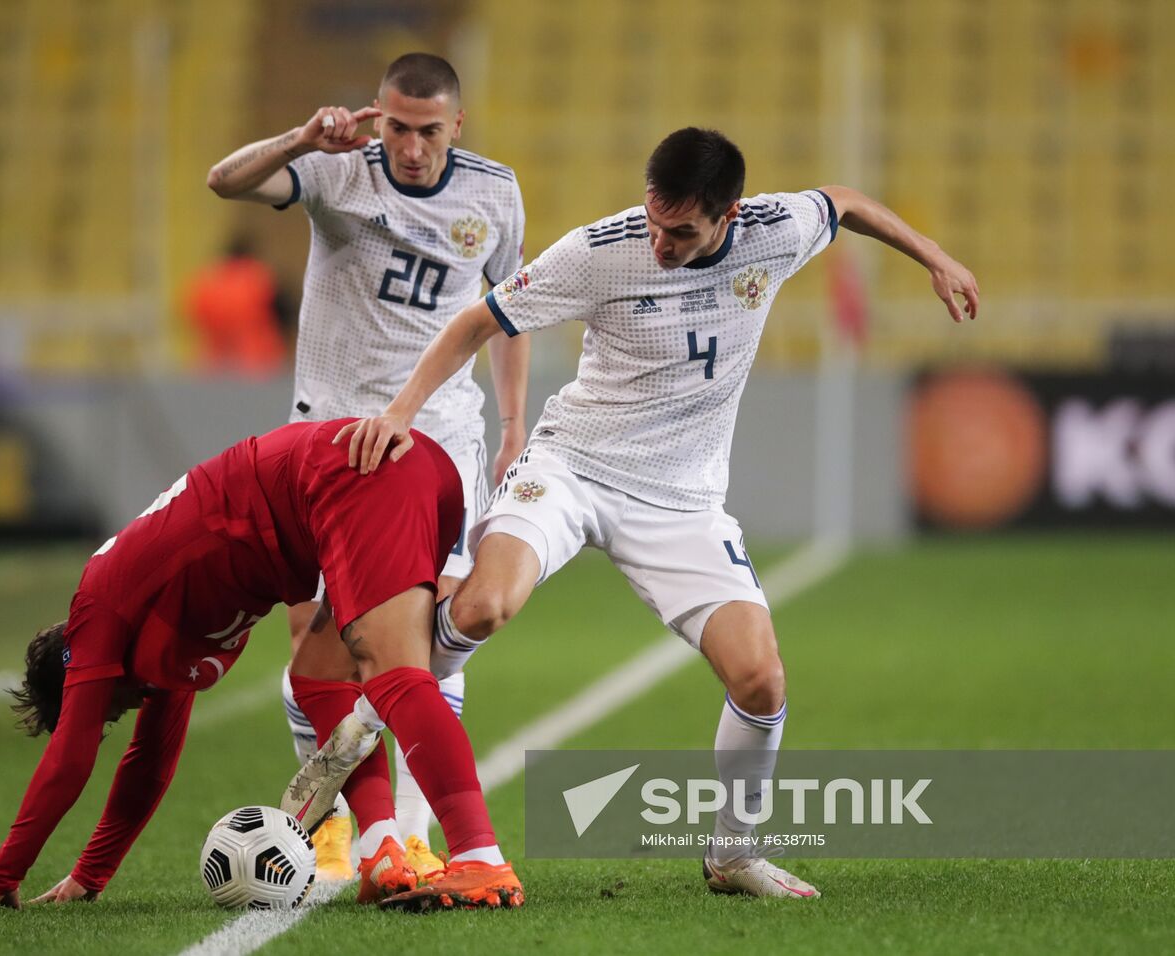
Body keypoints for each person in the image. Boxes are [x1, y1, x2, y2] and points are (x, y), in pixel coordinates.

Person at [337, 127, 980, 901]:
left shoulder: (774, 231)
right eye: (652, 221)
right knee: (482, 606)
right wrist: (402, 411)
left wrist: (935, 257)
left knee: (762, 680)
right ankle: (372, 707)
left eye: (680, 231)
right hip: (572, 468)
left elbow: (845, 203)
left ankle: (733, 855)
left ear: (729, 216)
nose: (660, 243)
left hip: (682, 500)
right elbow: (479, 321)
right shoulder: (599, 251)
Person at [0, 419, 523, 911]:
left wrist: (2, 878)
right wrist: (90, 875)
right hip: (397, 472)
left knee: (392, 673)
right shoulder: (154, 628)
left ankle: (479, 856)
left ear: (78, 672)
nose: (123, 710)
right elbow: (149, 764)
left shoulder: (100, 607)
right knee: (319, 679)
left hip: (353, 477)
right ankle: (382, 852)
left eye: (108, 709)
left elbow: (69, 758)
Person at [207, 52, 528, 878]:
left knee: (414, 643)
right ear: (376, 116)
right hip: (327, 441)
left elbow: (508, 312)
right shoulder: (337, 170)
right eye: (397, 128)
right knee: (315, 646)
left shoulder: (495, 193)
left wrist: (512, 423)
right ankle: (340, 821)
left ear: (457, 125)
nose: (411, 148)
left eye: (429, 132)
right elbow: (225, 182)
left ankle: (409, 833)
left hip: (436, 444)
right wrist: (298, 139)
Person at [184, 230, 289, 378]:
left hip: (214, 365)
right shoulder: (258, 278)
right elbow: (283, 314)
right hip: (257, 364)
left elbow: (193, 316)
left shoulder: (208, 281)